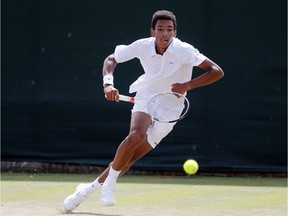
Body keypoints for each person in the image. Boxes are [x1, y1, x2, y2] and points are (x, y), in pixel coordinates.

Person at [63, 10, 224, 212]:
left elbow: (216, 71)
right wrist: (108, 84)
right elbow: (111, 59)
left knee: (129, 160)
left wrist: (187, 85)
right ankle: (110, 184)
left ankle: (87, 190)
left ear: (175, 32)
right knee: (136, 135)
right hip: (146, 95)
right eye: (160, 29)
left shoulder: (185, 50)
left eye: (169, 30)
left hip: (171, 107)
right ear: (152, 31)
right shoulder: (142, 46)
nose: (165, 34)